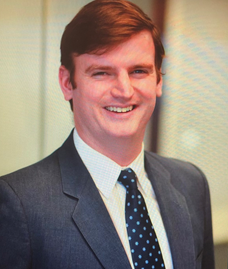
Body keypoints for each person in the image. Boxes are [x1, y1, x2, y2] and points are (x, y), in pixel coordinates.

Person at [0, 0, 214, 268]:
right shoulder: (19, 204)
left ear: (158, 80)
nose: (124, 90)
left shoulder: (191, 184)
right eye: (102, 73)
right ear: (67, 83)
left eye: (138, 71)